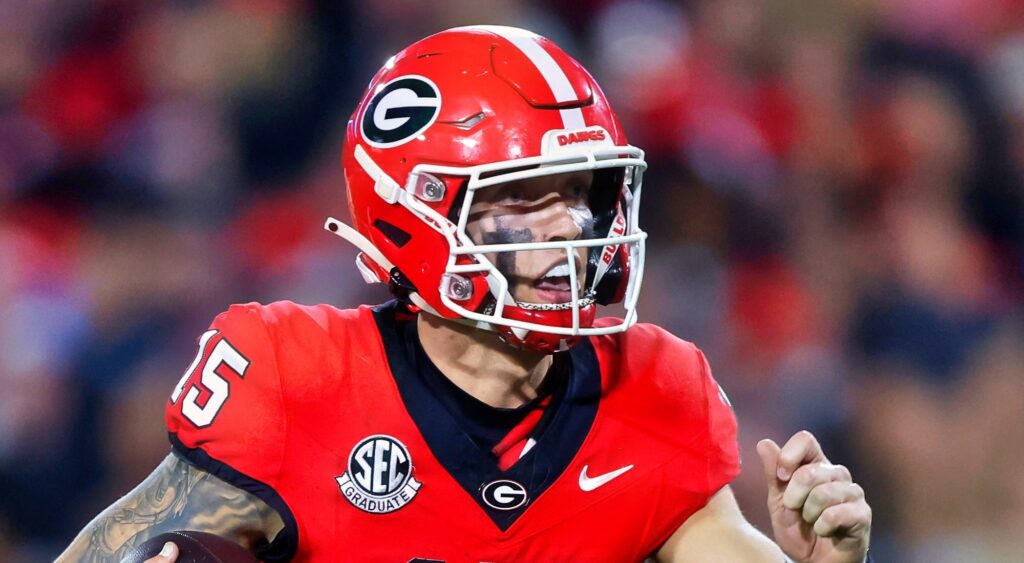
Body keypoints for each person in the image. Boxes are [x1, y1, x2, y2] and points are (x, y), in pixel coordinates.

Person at [58, 26, 871, 562]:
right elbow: (118, 546)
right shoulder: (297, 374)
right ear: (410, 214)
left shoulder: (655, 384)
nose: (568, 228)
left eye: (582, 191)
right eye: (524, 198)